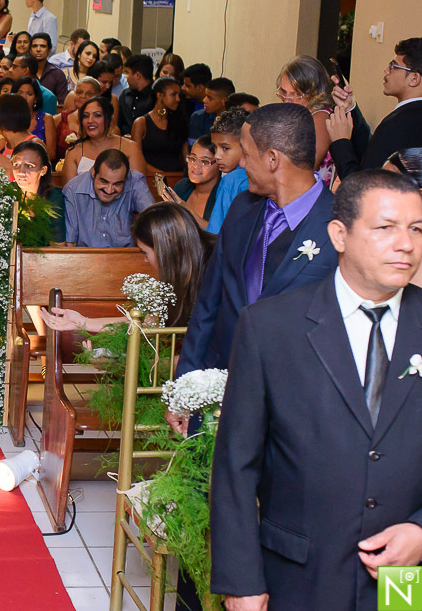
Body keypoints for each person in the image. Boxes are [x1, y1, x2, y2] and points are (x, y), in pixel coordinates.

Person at [210, 170, 422, 611]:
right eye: (385, 228)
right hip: (300, 569)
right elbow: (236, 463)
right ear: (339, 235)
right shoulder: (271, 326)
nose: (406, 244)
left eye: (416, 229)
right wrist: (241, 580)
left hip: (404, 574)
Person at [172, 104, 338, 394]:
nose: (242, 164)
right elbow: (209, 302)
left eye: (246, 154)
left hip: (295, 394)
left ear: (272, 159)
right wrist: (186, 386)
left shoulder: (338, 224)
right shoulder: (242, 208)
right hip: (223, 382)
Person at [40, 201, 213, 332]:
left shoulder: (214, 266)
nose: (145, 260)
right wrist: (83, 322)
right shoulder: (185, 266)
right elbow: (147, 321)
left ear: (164, 248)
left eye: (145, 252)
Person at [328, 37, 422, 179]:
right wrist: (349, 107)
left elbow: (360, 189)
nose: (386, 70)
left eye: (393, 66)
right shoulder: (410, 117)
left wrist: (340, 141)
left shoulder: (398, 124)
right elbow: (373, 154)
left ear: (414, 79)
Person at [62, 149, 155, 248]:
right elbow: (70, 244)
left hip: (125, 256)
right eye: (104, 181)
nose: (109, 190)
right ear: (93, 172)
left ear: (126, 178)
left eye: (117, 184)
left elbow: (155, 218)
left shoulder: (135, 181)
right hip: (86, 258)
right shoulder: (72, 190)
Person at [275, 55, 340, 185]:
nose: (287, 100)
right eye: (283, 92)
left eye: (296, 95)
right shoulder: (299, 116)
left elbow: (304, 168)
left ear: (315, 93)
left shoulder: (321, 118)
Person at [61, 94, 147, 184]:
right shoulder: (73, 153)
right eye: (86, 116)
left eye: (97, 115)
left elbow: (139, 189)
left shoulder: (131, 148)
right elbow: (69, 193)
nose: (90, 120)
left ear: (110, 119)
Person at [205, 107, 252, 234]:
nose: (217, 156)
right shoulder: (261, 175)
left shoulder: (231, 181)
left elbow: (216, 233)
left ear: (245, 145)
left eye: (225, 148)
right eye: (215, 147)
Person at [11, 139, 66, 243]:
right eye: (17, 165)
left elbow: (58, 247)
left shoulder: (53, 198)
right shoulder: (7, 193)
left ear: (43, 170)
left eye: (29, 166)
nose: (21, 172)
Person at [131, 76, 188, 173]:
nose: (178, 99)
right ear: (160, 95)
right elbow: (136, 158)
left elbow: (185, 155)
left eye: (179, 95)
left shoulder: (179, 121)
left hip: (177, 176)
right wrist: (162, 175)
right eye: (174, 95)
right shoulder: (141, 123)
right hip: (150, 177)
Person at [160, 136, 221, 227]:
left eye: (205, 161)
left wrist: (186, 210)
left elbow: (219, 234)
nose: (196, 166)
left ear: (220, 164)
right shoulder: (182, 186)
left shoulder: (224, 193)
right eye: (192, 158)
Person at [54, 76, 103, 160]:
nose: (83, 96)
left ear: (98, 97)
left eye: (89, 94)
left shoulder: (105, 123)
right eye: (79, 92)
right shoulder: (58, 120)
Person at [118, 54, 156, 135]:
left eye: (127, 72)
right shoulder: (125, 96)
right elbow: (119, 123)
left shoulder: (156, 96)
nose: (125, 77)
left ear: (137, 75)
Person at [188, 74, 230, 144]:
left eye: (210, 98)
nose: (204, 100)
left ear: (224, 101)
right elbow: (193, 146)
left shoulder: (235, 120)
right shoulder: (198, 117)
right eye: (205, 96)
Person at [29, 33, 69, 105]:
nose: (38, 49)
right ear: (30, 50)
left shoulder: (57, 74)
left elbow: (61, 104)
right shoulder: (24, 72)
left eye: (43, 46)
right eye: (35, 46)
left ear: (49, 50)